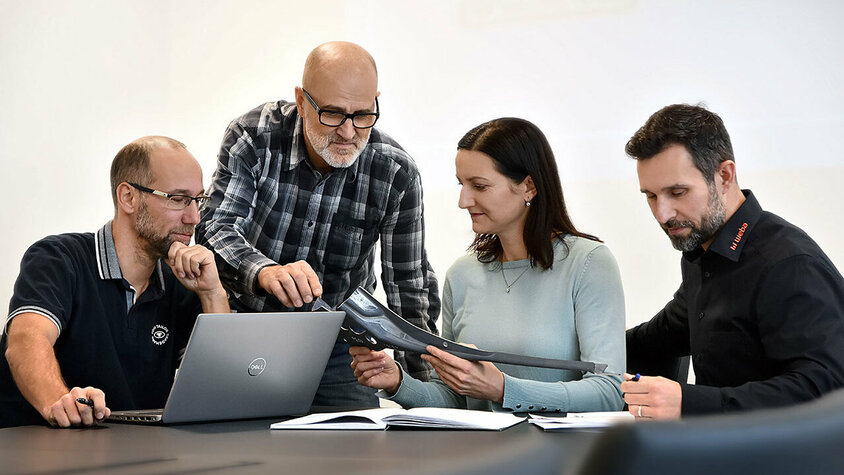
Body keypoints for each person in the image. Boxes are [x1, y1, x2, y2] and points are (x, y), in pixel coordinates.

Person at [196, 41, 439, 407]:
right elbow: (215, 228)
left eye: (362, 114)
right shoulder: (254, 136)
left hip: (340, 347)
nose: (347, 131)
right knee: (234, 449)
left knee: (353, 455)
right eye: (332, 113)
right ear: (300, 99)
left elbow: (408, 285)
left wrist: (425, 395)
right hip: (246, 330)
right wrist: (264, 272)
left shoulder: (395, 171)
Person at [349, 118, 626, 413]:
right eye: (462, 185)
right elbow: (453, 399)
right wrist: (397, 382)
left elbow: (608, 392)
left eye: (479, 186)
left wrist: (502, 389)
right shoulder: (462, 274)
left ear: (528, 187)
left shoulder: (589, 264)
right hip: (478, 452)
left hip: (561, 454)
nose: (463, 201)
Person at [621, 104, 844, 420]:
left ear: (724, 175)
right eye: (651, 196)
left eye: (678, 192)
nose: (662, 213)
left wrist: (688, 403)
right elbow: (661, 335)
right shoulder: (702, 255)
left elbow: (825, 390)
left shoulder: (789, 264)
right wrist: (586, 343)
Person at [0, 136, 230, 428]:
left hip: (138, 454)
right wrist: (59, 402)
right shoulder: (58, 259)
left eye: (198, 200)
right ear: (129, 197)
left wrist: (212, 294)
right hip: (38, 451)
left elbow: (219, 393)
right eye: (178, 199)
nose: (195, 217)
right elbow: (25, 340)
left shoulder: (181, 284)